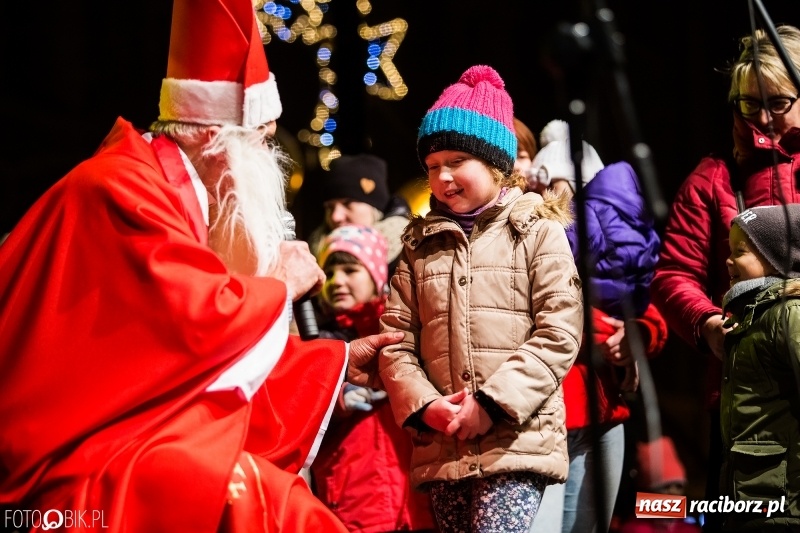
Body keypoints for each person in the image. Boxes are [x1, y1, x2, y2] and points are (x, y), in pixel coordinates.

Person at [0, 1, 399, 531]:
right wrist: (277, 285)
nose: (270, 170)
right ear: (214, 139)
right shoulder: (126, 190)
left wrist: (337, 364)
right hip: (69, 465)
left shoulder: (161, 187)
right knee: (262, 502)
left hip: (120, 435)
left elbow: (173, 366)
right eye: (261, 144)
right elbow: (196, 328)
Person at [378, 65, 584, 533]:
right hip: (444, 448)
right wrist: (426, 405)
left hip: (513, 442)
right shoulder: (418, 247)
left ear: (494, 163)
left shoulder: (537, 231)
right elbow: (396, 342)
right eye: (432, 166)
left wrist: (491, 403)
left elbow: (560, 330)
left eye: (456, 161)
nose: (443, 176)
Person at [650, 24, 800, 532]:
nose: (761, 118)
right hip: (744, 407)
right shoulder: (714, 179)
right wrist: (707, 324)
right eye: (746, 104)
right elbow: (674, 272)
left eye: (777, 102)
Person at [529, 120, 669, 533]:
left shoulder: (598, 238)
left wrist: (640, 333)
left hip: (605, 404)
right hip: (548, 412)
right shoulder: (530, 234)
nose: (542, 192)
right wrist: (604, 331)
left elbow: (647, 304)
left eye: (552, 183)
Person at [310, 224, 437, 532]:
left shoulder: (408, 330)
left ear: (377, 275)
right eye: (330, 271)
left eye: (350, 269)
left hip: (419, 501)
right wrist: (338, 403)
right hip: (355, 504)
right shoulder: (316, 344)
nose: (337, 281)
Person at [718, 205, 800, 531]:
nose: (728, 260)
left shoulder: (789, 314)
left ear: (777, 259)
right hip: (754, 497)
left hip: (785, 505)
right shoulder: (753, 314)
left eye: (741, 251)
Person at [305, 153, 412, 275]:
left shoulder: (413, 261)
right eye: (330, 207)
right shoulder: (311, 261)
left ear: (374, 209)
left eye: (347, 204)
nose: (336, 217)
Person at [619, 436, 701, 533]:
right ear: (648, 490)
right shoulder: (633, 529)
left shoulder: (690, 530)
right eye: (665, 486)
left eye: (678, 486)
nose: (673, 491)